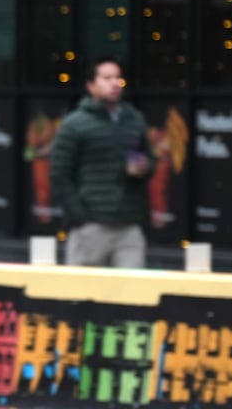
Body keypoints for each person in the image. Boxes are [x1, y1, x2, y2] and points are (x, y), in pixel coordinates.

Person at [49, 57, 155, 268]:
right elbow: (59, 174)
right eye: (107, 78)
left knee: (132, 295)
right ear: (91, 85)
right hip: (91, 226)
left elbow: (150, 159)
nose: (115, 83)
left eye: (118, 77)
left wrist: (146, 167)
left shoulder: (134, 119)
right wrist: (79, 217)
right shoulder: (75, 124)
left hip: (129, 225)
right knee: (82, 295)